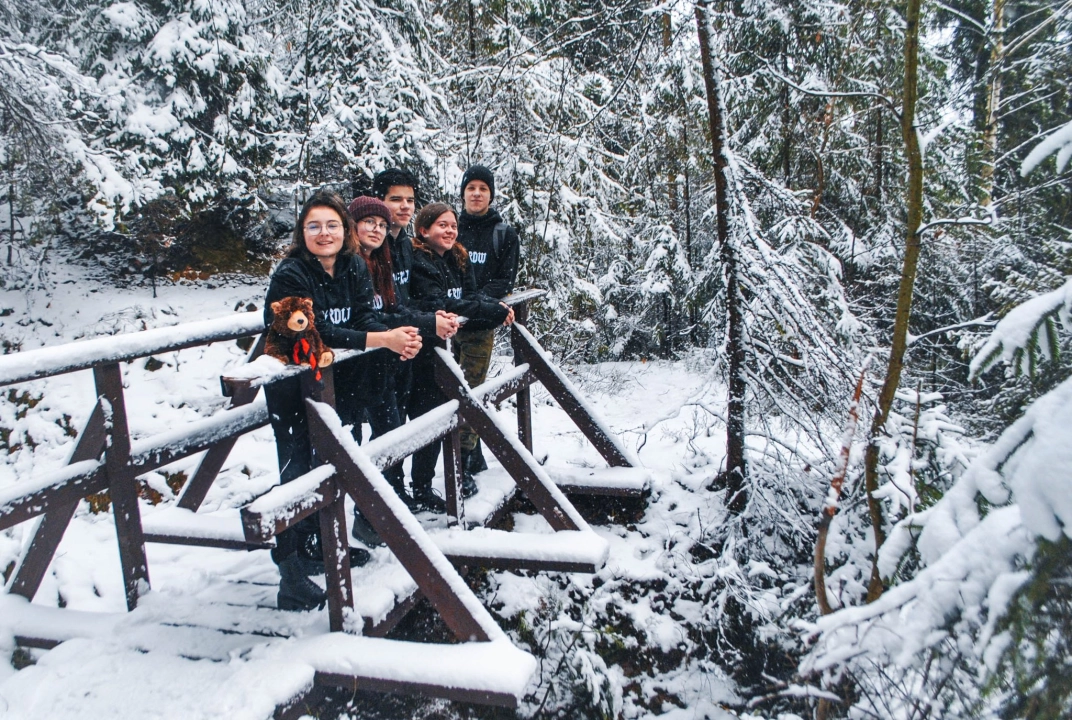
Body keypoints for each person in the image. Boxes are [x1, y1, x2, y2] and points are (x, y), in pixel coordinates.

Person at [264, 191, 421, 611]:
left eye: (332, 225)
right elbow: (311, 336)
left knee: (332, 466)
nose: (324, 233)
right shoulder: (290, 275)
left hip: (336, 387)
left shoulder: (353, 266)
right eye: (314, 226)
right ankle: (290, 571)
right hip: (294, 391)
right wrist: (379, 339)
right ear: (302, 231)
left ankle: (320, 545)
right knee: (298, 473)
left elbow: (362, 316)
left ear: (343, 230)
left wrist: (396, 338)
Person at [343, 195, 458, 537]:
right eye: (369, 223)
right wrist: (403, 332)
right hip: (351, 370)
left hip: (381, 365)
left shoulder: (379, 262)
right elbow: (364, 318)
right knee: (368, 444)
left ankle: (382, 514)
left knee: (388, 436)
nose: (377, 230)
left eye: (381, 224)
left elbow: (391, 311)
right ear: (352, 225)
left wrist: (418, 325)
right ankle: (370, 518)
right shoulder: (349, 265)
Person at [407, 203, 514, 509]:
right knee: (416, 422)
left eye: (453, 225)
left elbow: (471, 296)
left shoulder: (456, 258)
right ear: (424, 230)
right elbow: (440, 303)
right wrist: (489, 309)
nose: (450, 230)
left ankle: (425, 486)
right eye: (442, 225)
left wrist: (496, 307)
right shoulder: (421, 262)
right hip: (416, 351)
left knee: (435, 416)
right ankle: (401, 491)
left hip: (438, 353)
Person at [454, 165, 520, 482]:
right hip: (448, 325)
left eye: (483, 188)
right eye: (471, 188)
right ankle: (474, 456)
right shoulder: (450, 230)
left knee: (469, 391)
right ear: (463, 192)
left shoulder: (503, 234)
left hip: (478, 326)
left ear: (491, 194)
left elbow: (503, 282)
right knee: (451, 392)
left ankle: (464, 463)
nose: (477, 193)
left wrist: (476, 301)